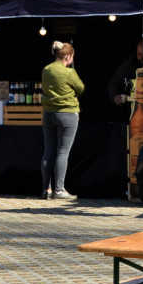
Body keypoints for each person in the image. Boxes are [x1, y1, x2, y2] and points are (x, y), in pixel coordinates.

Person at [40, 41, 85, 199]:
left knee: (48, 151)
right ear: (68, 56)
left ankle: (46, 189)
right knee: (63, 152)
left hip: (48, 114)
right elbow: (81, 88)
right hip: (67, 114)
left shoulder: (46, 70)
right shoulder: (69, 72)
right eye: (72, 56)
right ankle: (59, 190)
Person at [108, 40, 143, 109]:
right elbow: (114, 82)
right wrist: (115, 96)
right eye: (139, 54)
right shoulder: (129, 65)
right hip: (129, 109)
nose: (140, 58)